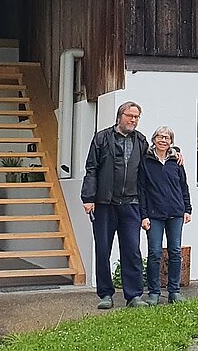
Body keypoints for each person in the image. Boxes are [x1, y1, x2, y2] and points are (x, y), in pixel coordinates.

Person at [81, 101, 150, 309]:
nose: (133, 120)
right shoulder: (102, 138)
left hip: (131, 203)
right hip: (105, 204)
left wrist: (175, 152)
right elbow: (91, 168)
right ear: (120, 116)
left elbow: (154, 161)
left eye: (136, 117)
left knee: (132, 250)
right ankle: (105, 294)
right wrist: (88, 197)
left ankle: (134, 296)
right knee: (103, 249)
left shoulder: (141, 141)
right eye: (130, 116)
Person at [139, 126, 193, 305]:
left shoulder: (176, 161)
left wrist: (187, 209)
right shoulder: (146, 161)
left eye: (167, 138)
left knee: (175, 252)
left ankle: (174, 292)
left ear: (171, 142)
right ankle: (154, 293)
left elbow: (183, 186)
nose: (163, 140)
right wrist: (143, 215)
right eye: (160, 137)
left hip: (175, 213)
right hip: (154, 214)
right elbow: (142, 189)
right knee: (154, 253)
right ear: (154, 139)